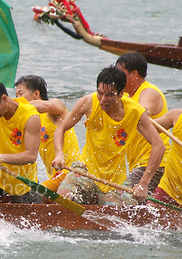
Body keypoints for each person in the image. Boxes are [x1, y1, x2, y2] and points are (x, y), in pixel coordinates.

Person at [52, 66, 165, 205]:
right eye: (100, 93)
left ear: (121, 93)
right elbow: (61, 128)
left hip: (115, 179)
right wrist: (59, 154)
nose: (103, 100)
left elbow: (159, 146)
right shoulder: (88, 102)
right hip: (86, 169)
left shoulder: (135, 112)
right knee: (62, 200)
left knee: (123, 218)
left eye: (109, 95)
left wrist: (144, 183)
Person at [14, 75, 80, 192]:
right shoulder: (30, 120)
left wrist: (15, 106)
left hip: (70, 172)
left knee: (37, 196)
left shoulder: (54, 108)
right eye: (16, 96)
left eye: (20, 94)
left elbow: (48, 105)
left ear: (36, 94)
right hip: (54, 176)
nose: (18, 99)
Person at [116, 51, 171, 192]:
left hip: (155, 165)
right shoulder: (128, 95)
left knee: (118, 197)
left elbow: (143, 111)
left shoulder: (148, 92)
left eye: (120, 73)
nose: (117, 78)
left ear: (134, 74)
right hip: (138, 165)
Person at [150, 108, 182, 207]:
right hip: (168, 189)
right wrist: (141, 115)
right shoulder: (176, 115)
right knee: (147, 217)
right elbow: (147, 126)